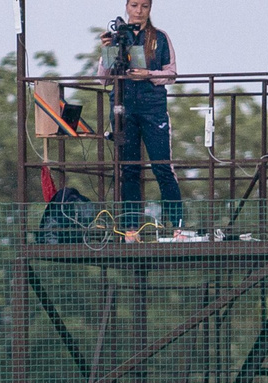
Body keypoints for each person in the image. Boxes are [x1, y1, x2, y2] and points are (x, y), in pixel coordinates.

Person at [98, 0, 195, 236]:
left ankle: (176, 227)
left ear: (150, 9)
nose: (138, 11)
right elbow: (103, 79)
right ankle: (131, 228)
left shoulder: (159, 38)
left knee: (162, 166)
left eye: (144, 6)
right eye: (134, 5)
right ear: (126, 7)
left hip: (153, 107)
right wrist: (106, 49)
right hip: (123, 106)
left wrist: (148, 74)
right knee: (129, 169)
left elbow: (171, 75)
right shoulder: (117, 37)